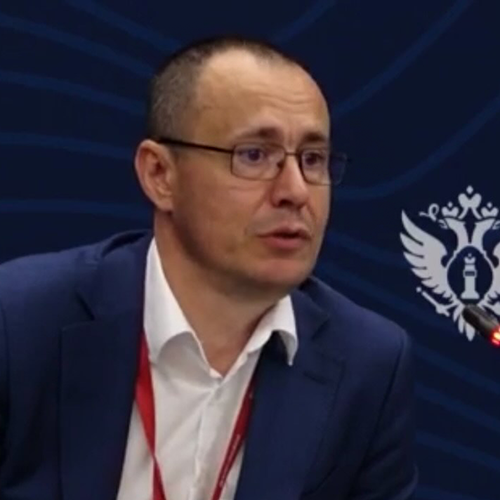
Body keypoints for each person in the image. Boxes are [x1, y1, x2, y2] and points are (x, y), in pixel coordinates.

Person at [0, 36, 417, 500]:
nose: (296, 191)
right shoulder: (20, 324)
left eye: (313, 160)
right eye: (254, 155)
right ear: (160, 175)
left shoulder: (367, 365)